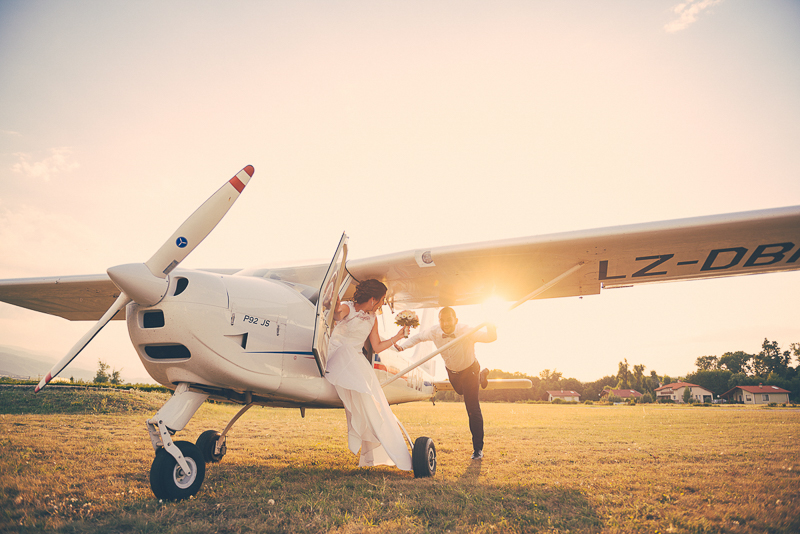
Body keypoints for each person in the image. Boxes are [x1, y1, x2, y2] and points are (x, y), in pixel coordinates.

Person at [324, 279, 412, 471]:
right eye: (381, 300)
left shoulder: (373, 319)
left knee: (373, 400)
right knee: (364, 391)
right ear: (373, 299)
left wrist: (397, 337)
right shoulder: (349, 308)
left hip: (355, 359)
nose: (382, 304)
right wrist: (336, 306)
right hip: (337, 354)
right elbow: (337, 315)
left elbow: (377, 346)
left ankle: (381, 444)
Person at [396, 306, 496, 460]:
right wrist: (402, 347)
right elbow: (418, 337)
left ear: (455, 320)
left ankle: (478, 450)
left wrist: (491, 324)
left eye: (449, 319)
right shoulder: (434, 331)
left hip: (470, 371)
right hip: (452, 373)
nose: (445, 323)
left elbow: (491, 338)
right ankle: (482, 377)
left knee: (472, 408)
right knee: (460, 391)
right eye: (442, 320)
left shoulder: (467, 330)